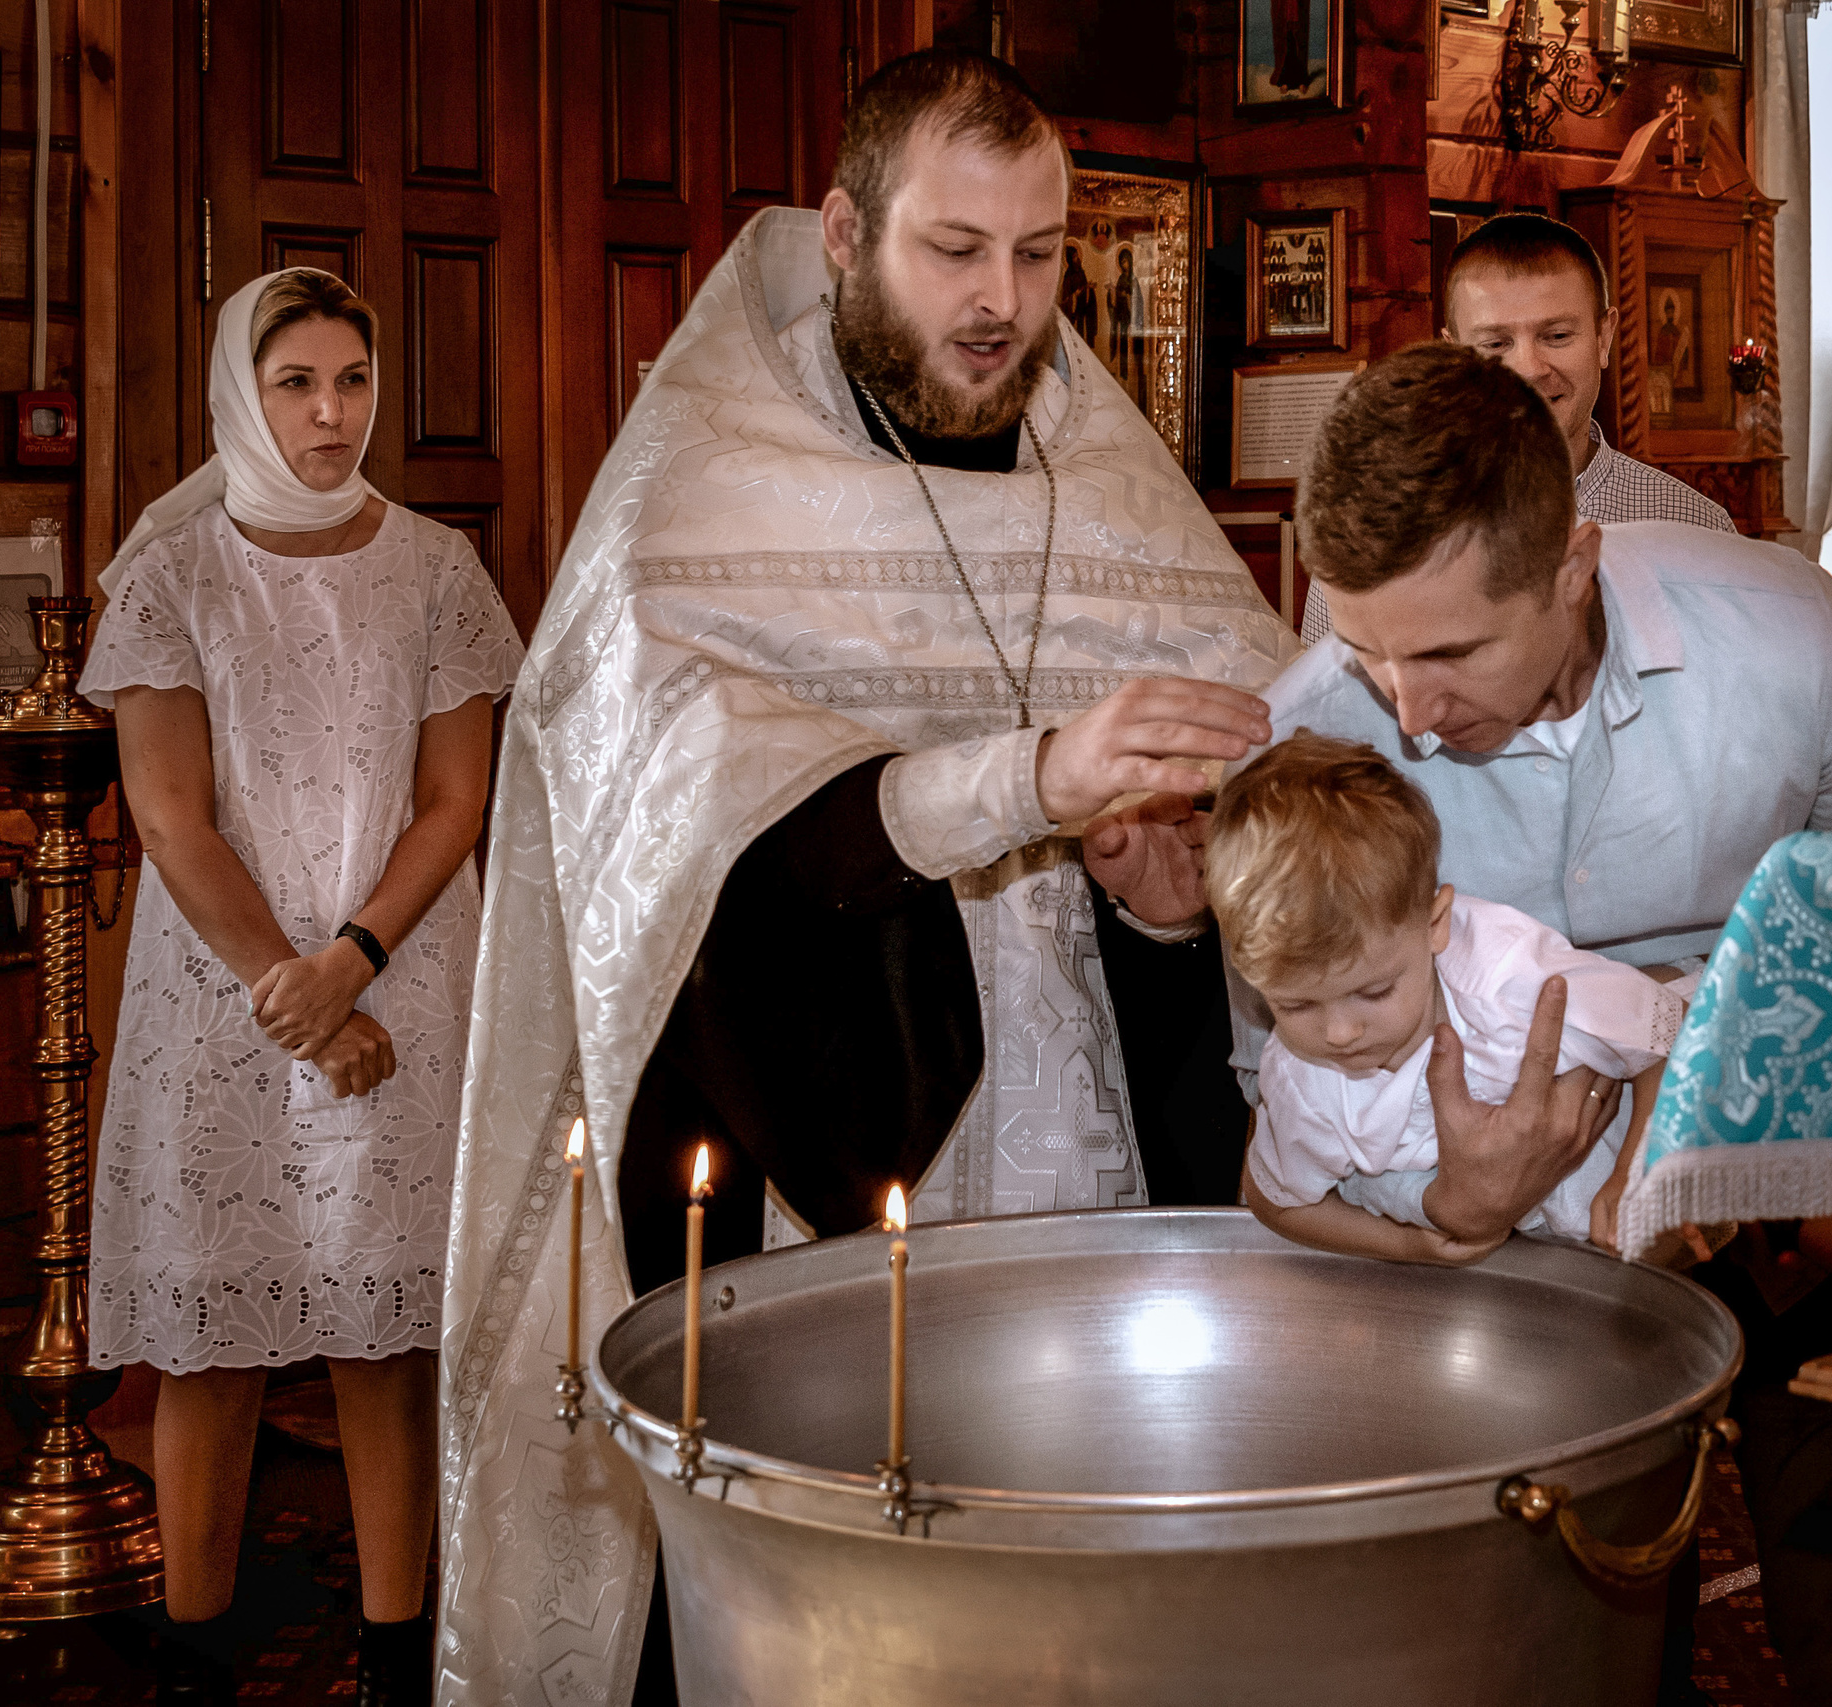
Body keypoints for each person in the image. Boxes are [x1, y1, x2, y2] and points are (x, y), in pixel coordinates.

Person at [436, 51, 1292, 1706]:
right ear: (844, 234)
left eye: (1040, 254)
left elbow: (1248, 790)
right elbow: (703, 862)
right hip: (821, 1163)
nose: (1004, 301)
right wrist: (1023, 779)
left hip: (1083, 1159)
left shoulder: (1100, 476)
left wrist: (1163, 907)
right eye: (954, 250)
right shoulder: (698, 487)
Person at [1233, 342, 1832, 1707]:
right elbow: (1287, 1075)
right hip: (1488, 1278)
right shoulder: (1311, 742)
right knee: (1539, 1640)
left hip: (1803, 1200)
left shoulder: (1793, 641)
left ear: (1574, 566)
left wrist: (1723, 1132)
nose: (1405, 709)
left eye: (1451, 650)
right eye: (1364, 649)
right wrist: (1461, 1213)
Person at [79, 268, 523, 1707]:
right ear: (241, 393)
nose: (332, 414)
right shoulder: (171, 572)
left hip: (401, 967)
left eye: (351, 380)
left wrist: (352, 963)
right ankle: (200, 1633)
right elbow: (165, 811)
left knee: (384, 1333)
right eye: (297, 384)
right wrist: (287, 983)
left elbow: (456, 800)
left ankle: (399, 1648)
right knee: (217, 1327)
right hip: (222, 986)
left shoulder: (440, 567)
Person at [1210, 735, 1689, 1263]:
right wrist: (1411, 1246)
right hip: (1512, 1256)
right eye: (1296, 1006)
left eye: (1374, 991)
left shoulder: (1510, 977)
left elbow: (1671, 1033)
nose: (1339, 1033)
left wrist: (1641, 1172)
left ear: (1435, 924)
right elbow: (1274, 1200)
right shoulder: (1302, 1079)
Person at [1300, 213, 1730, 644]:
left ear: (1604, 337)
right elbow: (1326, 706)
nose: (1529, 369)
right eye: (1495, 344)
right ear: (1456, 356)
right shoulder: (1374, 526)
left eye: (1557, 336)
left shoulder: (1693, 528)